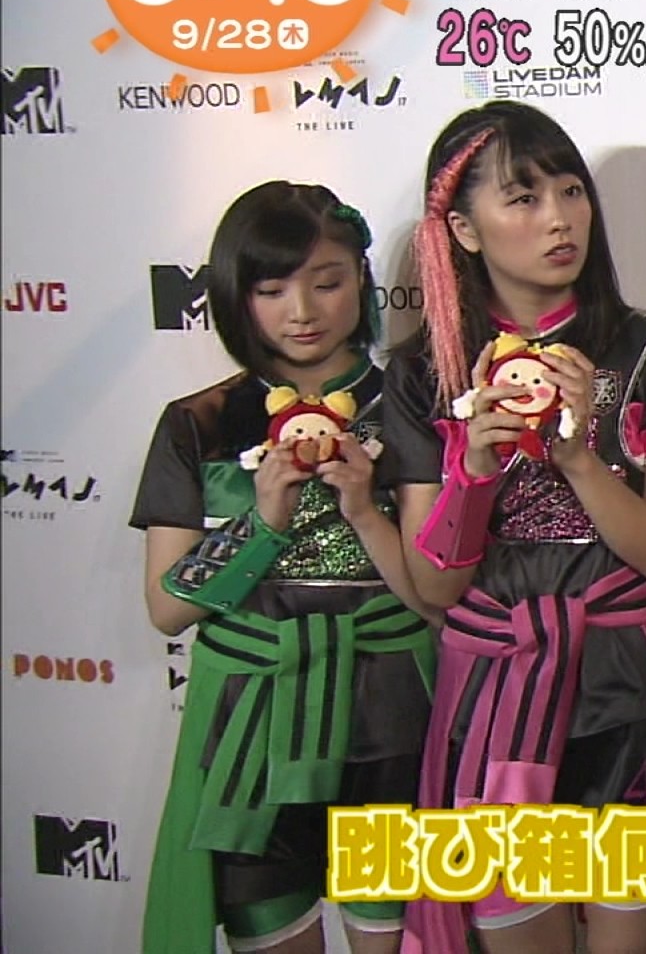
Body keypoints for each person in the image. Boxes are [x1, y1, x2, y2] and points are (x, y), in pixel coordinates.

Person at [383, 100, 646, 954]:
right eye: (523, 199)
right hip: (492, 694)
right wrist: (474, 473)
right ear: (462, 229)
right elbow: (435, 585)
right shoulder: (425, 372)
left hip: (627, 688)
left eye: (570, 191)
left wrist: (577, 455)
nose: (560, 219)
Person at [136, 181, 436, 954]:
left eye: (326, 282)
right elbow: (169, 608)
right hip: (252, 727)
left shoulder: (416, 410)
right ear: (238, 296)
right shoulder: (198, 423)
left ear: (360, 280)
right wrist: (262, 523)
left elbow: (439, 600)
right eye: (271, 290)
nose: (301, 311)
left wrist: (365, 510)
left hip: (392, 717)